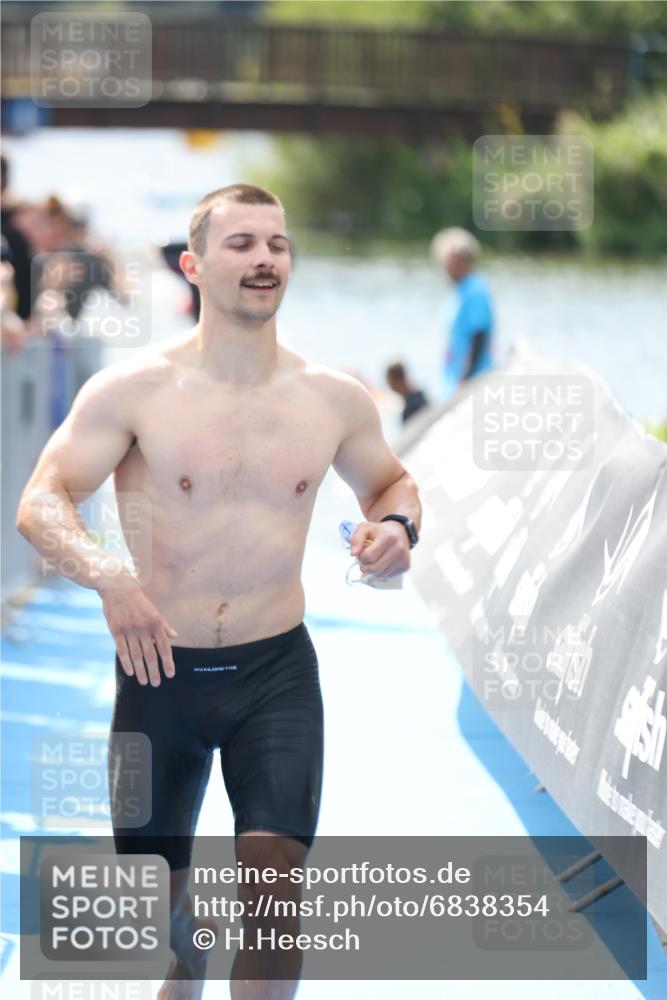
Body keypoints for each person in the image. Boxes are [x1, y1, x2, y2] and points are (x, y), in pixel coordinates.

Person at [16, 183, 422, 1000]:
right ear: (195, 264)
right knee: (159, 917)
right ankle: (186, 953)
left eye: (276, 243)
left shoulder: (332, 398)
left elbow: (392, 484)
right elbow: (40, 501)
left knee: (275, 895)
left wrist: (397, 531)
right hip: (157, 673)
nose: (265, 258)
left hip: (275, 675)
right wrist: (111, 578)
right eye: (241, 244)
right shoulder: (134, 390)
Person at [431, 226, 495, 394]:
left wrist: (466, 378)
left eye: (449, 262)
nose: (445, 267)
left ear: (465, 262)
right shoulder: (460, 290)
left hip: (473, 382)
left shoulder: (476, 291)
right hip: (454, 380)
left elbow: (479, 337)